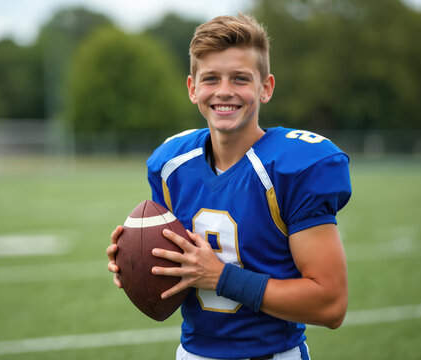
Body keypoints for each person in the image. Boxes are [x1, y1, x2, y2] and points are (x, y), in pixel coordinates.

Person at [107, 13, 351, 360]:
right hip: (193, 353)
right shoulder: (171, 165)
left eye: (240, 78)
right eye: (211, 79)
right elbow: (176, 269)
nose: (224, 91)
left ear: (265, 88)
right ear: (193, 89)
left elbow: (331, 305)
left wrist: (221, 277)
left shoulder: (295, 167)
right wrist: (139, 264)